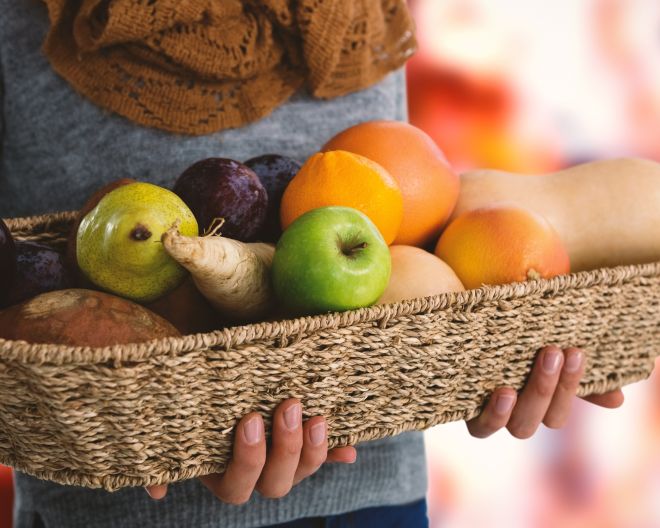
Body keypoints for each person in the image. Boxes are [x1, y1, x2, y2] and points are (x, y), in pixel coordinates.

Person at [1, 1, 623, 527]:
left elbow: (413, 219)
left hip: (377, 491)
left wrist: (482, 360)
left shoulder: (353, 13)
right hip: (114, 510)